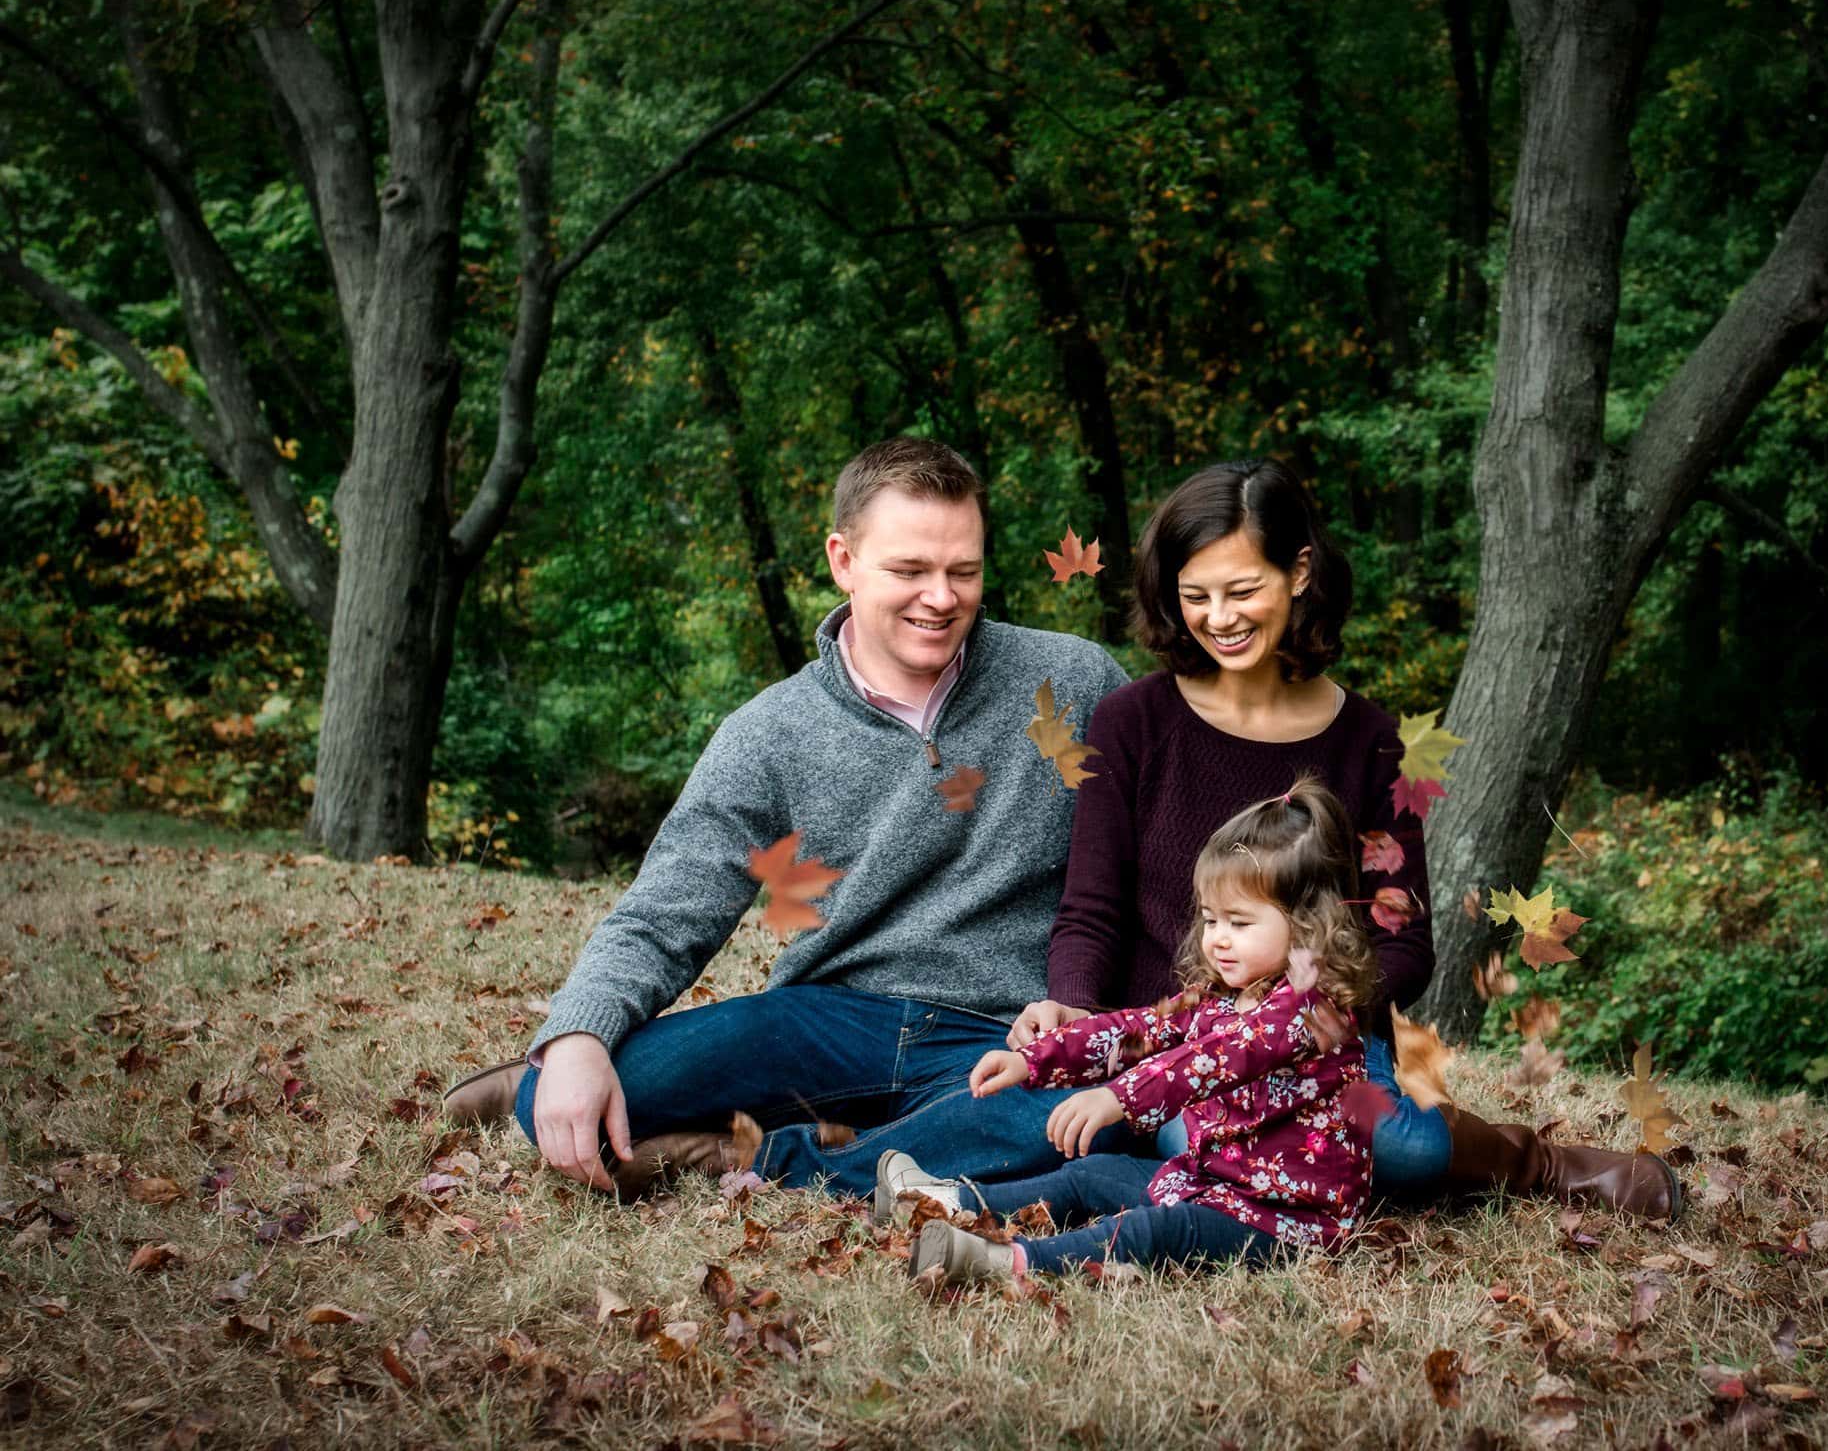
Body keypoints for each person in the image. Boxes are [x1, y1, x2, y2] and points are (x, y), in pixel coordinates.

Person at [440, 437, 1129, 1199]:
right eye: (909, 570)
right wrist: (577, 1032)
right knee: (550, 1097)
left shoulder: (1075, 679)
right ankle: (891, 1141)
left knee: (1086, 1123)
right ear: (843, 560)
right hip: (824, 1024)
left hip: (998, 1035)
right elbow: (669, 905)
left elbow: (1160, 861)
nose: (941, 596)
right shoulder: (770, 731)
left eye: (962, 571)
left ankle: (759, 1159)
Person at [990, 459, 1679, 1219]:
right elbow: (1091, 909)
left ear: (1300, 571)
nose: (1220, 616)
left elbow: (1407, 940)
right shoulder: (1130, 722)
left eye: (1243, 589)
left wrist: (1308, 1012)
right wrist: (1078, 1009)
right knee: (1193, 1136)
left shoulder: (1373, 741)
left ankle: (1537, 1162)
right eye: (1196, 596)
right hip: (1183, 1045)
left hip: (1323, 1040)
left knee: (1403, 1150)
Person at [898, 779, 1375, 1282]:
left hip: (1286, 1220)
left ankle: (1008, 1263)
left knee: (1156, 1231)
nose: (1218, 940)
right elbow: (1137, 1029)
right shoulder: (1222, 996)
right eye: (1211, 920)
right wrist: (1034, 1058)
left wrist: (1118, 1099)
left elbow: (1213, 1061)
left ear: (1305, 923)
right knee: (1089, 1177)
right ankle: (943, 1204)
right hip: (1211, 1183)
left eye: (1239, 922)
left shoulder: (1309, 1010)